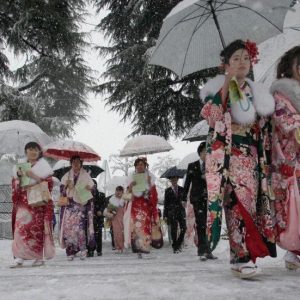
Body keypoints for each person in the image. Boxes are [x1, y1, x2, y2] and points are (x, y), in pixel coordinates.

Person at [201, 39, 277, 278]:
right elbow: (213, 118)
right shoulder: (217, 89)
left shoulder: (256, 91)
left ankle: (246, 255)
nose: (242, 63)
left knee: (252, 206)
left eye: (245, 57)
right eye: (235, 59)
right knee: (235, 205)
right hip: (229, 158)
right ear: (225, 64)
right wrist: (227, 83)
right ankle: (240, 256)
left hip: (252, 158)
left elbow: (263, 125)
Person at [270, 46, 300, 270]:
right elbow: (285, 122)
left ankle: (293, 253)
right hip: (290, 159)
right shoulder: (280, 94)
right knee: (294, 209)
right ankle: (293, 249)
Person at [10, 142, 55, 268]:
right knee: (20, 230)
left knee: (36, 231)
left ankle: (38, 256)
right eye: (30, 149)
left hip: (37, 204)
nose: (33, 152)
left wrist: (34, 177)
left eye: (36, 149)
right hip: (23, 204)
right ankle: (19, 257)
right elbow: (15, 186)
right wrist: (18, 179)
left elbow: (49, 185)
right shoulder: (19, 168)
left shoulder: (45, 168)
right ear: (26, 152)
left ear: (39, 152)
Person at [183, 142, 215, 261]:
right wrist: (183, 198)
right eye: (204, 152)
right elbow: (187, 183)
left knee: (210, 225)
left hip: (211, 199)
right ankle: (202, 250)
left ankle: (208, 250)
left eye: (208, 152)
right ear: (200, 153)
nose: (206, 154)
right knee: (201, 224)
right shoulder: (192, 166)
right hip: (197, 199)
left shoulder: (212, 166)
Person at [59, 155, 95, 261]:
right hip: (69, 205)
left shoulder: (86, 175)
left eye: (78, 162)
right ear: (71, 163)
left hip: (81, 205)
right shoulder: (66, 175)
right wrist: (65, 186)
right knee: (69, 228)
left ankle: (83, 250)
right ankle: (70, 251)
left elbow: (93, 190)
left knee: (80, 229)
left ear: (81, 163)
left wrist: (90, 188)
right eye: (73, 162)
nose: (75, 164)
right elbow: (62, 191)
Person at [128, 157, 159, 258]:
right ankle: (137, 248)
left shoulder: (150, 178)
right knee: (136, 227)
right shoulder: (131, 178)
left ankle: (145, 248)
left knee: (145, 227)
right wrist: (131, 187)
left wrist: (149, 184)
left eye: (142, 164)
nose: (139, 166)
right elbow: (127, 196)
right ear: (135, 167)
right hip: (135, 206)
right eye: (138, 165)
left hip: (145, 207)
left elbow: (153, 196)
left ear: (145, 166)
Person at [163, 176, 186, 253]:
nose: (174, 181)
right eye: (172, 180)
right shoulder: (167, 190)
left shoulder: (182, 189)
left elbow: (185, 199)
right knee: (174, 230)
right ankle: (175, 247)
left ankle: (178, 243)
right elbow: (165, 204)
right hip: (172, 212)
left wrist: (184, 203)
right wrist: (165, 215)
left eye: (175, 179)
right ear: (170, 181)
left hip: (181, 211)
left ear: (177, 180)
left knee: (184, 228)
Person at [87, 180, 107, 257]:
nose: (92, 187)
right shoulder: (87, 195)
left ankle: (99, 250)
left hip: (98, 218)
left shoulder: (101, 195)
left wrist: (100, 210)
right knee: (89, 234)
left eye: (93, 185)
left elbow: (104, 204)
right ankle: (90, 250)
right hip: (89, 217)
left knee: (98, 235)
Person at [104, 186, 125, 254]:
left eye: (120, 191)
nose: (118, 192)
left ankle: (123, 246)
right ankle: (118, 247)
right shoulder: (112, 199)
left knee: (123, 232)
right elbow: (109, 208)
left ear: (122, 192)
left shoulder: (125, 198)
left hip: (123, 216)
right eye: (117, 191)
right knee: (116, 232)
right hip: (115, 216)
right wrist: (111, 210)